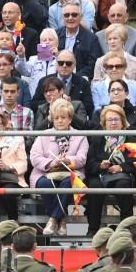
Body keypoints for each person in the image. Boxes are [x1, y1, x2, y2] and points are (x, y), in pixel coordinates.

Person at [30, 98, 89, 235]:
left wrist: (67, 161)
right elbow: (34, 157)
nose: (60, 121)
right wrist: (51, 163)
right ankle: (61, 219)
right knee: (45, 184)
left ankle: (52, 219)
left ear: (70, 119)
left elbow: (81, 159)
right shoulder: (43, 136)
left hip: (71, 172)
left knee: (68, 183)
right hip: (45, 172)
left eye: (63, 117)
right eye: (56, 118)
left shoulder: (80, 137)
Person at [84, 104, 136, 235]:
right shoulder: (97, 140)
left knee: (123, 185)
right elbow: (89, 164)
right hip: (101, 175)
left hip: (122, 176)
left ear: (123, 122)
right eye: (110, 120)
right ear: (104, 123)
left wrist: (121, 167)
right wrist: (99, 166)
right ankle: (93, 229)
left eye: (116, 119)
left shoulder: (131, 140)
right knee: (94, 186)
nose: (113, 123)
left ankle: (126, 229)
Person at [98, 3, 136, 71]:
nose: (116, 18)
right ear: (108, 18)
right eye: (112, 15)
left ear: (126, 17)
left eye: (119, 15)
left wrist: (121, 68)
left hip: (131, 76)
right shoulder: (99, 36)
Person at [94, 24, 136, 90]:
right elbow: (94, 85)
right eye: (109, 39)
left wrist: (126, 82)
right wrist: (107, 78)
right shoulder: (100, 61)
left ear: (123, 40)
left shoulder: (135, 61)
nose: (112, 42)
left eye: (115, 38)